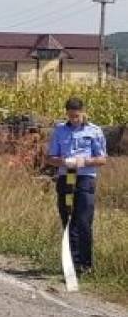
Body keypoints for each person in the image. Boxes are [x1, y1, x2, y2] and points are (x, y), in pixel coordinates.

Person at [45, 97, 107, 274]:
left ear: (83, 112)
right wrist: (64, 161)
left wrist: (84, 161)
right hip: (66, 179)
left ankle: (86, 265)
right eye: (71, 116)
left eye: (77, 116)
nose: (74, 119)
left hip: (85, 178)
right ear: (67, 113)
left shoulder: (94, 131)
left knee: (84, 221)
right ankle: (72, 263)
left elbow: (102, 159)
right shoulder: (59, 131)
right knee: (68, 219)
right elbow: (50, 158)